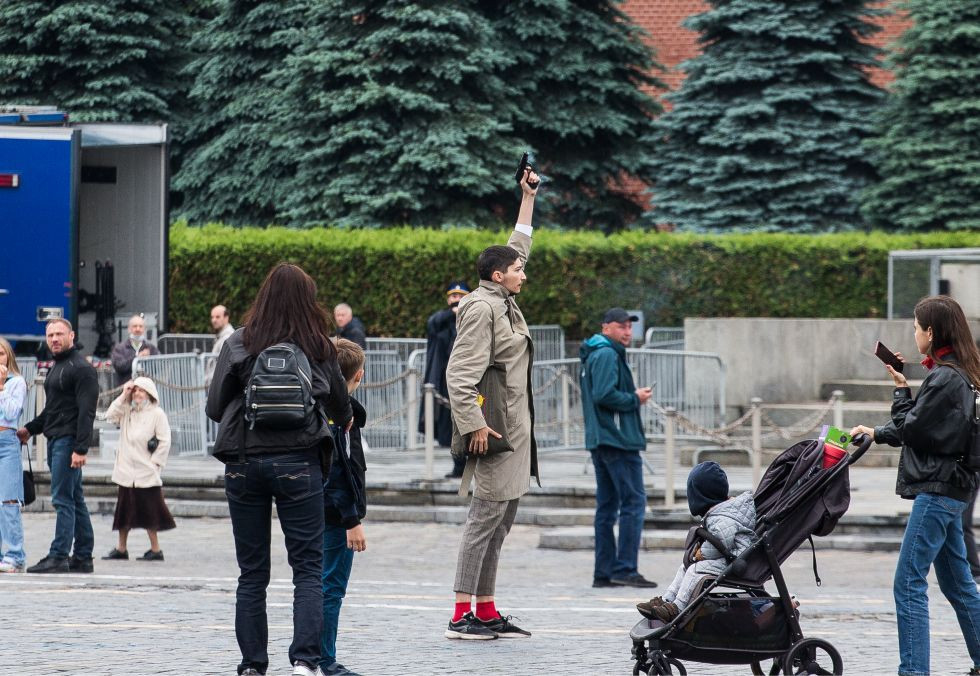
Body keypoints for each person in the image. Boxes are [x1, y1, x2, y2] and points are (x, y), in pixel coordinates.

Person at [207, 262, 352, 676]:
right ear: (309, 300)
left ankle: (253, 665)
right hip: (299, 462)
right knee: (307, 567)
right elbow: (341, 407)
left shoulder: (239, 342)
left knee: (252, 572)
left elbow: (215, 408)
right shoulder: (319, 345)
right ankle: (306, 661)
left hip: (244, 463)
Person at [849, 295, 980, 676]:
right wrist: (903, 386)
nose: (913, 332)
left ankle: (914, 672)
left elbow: (913, 430)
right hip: (955, 489)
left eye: (915, 327)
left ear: (932, 332)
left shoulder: (944, 377)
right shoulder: (964, 371)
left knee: (907, 582)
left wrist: (877, 428)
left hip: (938, 492)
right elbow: (926, 425)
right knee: (959, 586)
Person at [444, 167, 540, 641]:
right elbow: (459, 374)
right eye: (517, 269)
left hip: (517, 429)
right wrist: (474, 425)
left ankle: (485, 610)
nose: (524, 271)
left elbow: (517, 246)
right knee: (484, 521)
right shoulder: (481, 307)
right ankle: (462, 613)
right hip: (495, 430)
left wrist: (526, 198)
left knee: (501, 524)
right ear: (499, 276)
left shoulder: (502, 294)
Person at [580, 307, 657, 589]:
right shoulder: (606, 354)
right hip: (616, 439)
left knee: (608, 506)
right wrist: (634, 398)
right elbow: (604, 395)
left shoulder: (599, 352)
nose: (628, 332)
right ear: (606, 327)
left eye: (629, 327)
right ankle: (624, 568)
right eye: (622, 327)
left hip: (604, 439)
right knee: (633, 503)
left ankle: (604, 572)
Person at [17, 318, 99, 574]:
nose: (54, 339)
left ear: (72, 336)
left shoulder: (81, 368)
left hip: (68, 441)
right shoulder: (58, 366)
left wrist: (81, 449)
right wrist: (30, 429)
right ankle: (83, 556)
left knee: (62, 500)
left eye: (59, 334)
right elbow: (53, 410)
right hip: (56, 439)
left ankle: (59, 555)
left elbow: (87, 412)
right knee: (75, 498)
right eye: (50, 334)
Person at [636, 462, 755, 622]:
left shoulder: (724, 517)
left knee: (695, 569)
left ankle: (677, 608)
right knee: (685, 566)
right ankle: (667, 599)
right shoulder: (722, 511)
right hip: (728, 557)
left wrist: (701, 554)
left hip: (734, 560)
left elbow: (720, 542)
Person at [320, 339, 369, 676]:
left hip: (312, 508)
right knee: (330, 588)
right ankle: (322, 659)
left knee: (315, 584)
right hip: (336, 514)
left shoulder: (322, 409)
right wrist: (352, 519)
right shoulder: (341, 420)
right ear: (359, 376)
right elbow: (341, 471)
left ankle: (311, 656)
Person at [101, 376, 175, 562]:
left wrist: (156, 463)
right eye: (135, 390)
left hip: (146, 470)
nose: (138, 394)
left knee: (150, 511)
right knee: (123, 512)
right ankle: (121, 548)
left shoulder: (157, 414)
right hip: (126, 470)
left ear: (149, 393)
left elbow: (165, 440)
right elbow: (110, 415)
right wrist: (123, 395)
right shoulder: (127, 410)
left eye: (141, 390)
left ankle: (155, 549)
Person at [419, 280, 471, 478]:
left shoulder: (474, 318)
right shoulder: (440, 320)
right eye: (453, 296)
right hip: (444, 381)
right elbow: (432, 324)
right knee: (449, 427)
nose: (456, 300)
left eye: (460, 296)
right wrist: (452, 314)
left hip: (467, 379)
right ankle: (459, 465)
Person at [0, 337, 28, 573]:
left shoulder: (16, 382)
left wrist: (0, 386)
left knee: (8, 499)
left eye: (0, 354)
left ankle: (15, 554)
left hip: (6, 442)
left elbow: (11, 412)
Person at [110, 315, 159, 386]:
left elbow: (158, 365)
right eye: (135, 326)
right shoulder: (119, 348)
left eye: (140, 326)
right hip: (125, 388)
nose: (138, 329)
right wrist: (137, 357)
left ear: (144, 329)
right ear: (129, 329)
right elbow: (119, 366)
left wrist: (148, 361)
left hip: (145, 389)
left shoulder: (151, 347)